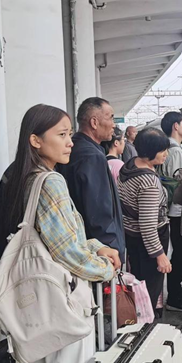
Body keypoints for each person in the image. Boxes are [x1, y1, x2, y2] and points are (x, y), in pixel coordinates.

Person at [0, 104, 118, 363]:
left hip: (33, 306)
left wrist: (94, 245)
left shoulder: (15, 178)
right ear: (36, 140)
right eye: (61, 135)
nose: (70, 142)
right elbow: (66, 251)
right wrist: (105, 268)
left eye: (69, 134)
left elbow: (48, 236)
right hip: (63, 302)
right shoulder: (51, 181)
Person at [57, 97, 125, 264]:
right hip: (98, 251)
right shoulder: (92, 156)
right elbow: (99, 212)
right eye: (110, 117)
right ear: (94, 122)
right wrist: (111, 248)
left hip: (81, 244)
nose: (113, 124)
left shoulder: (76, 149)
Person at [118, 128, 173, 313]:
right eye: (162, 150)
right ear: (150, 151)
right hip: (148, 242)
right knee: (149, 292)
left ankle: (140, 319)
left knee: (139, 286)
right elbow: (148, 226)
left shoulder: (129, 165)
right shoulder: (148, 182)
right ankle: (146, 323)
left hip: (132, 236)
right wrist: (160, 256)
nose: (166, 154)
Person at [157, 112, 182, 312]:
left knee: (178, 252)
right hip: (177, 210)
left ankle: (175, 288)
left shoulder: (168, 148)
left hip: (170, 209)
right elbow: (179, 182)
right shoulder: (176, 151)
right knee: (181, 253)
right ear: (176, 126)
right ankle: (174, 296)